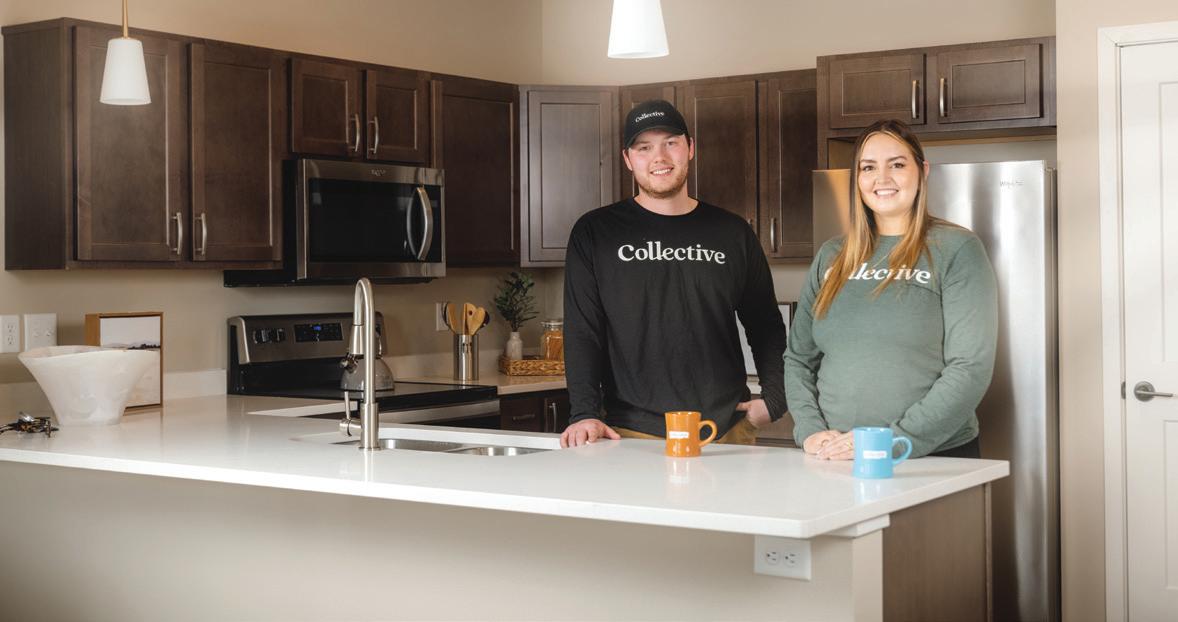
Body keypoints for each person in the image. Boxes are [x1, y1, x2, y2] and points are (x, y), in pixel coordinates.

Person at [559, 99, 788, 448]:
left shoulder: (732, 232)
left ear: (690, 148)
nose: (659, 157)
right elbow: (582, 331)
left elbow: (766, 325)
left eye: (671, 143)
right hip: (631, 434)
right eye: (644, 147)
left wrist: (775, 399)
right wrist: (584, 413)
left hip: (725, 431)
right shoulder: (596, 233)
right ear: (628, 158)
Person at [785, 119, 998, 460]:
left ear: (922, 171)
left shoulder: (956, 249)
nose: (881, 179)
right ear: (857, 178)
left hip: (930, 457)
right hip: (835, 455)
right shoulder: (831, 255)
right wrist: (810, 431)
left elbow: (970, 367)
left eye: (897, 165)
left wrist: (892, 440)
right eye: (868, 167)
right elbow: (799, 358)